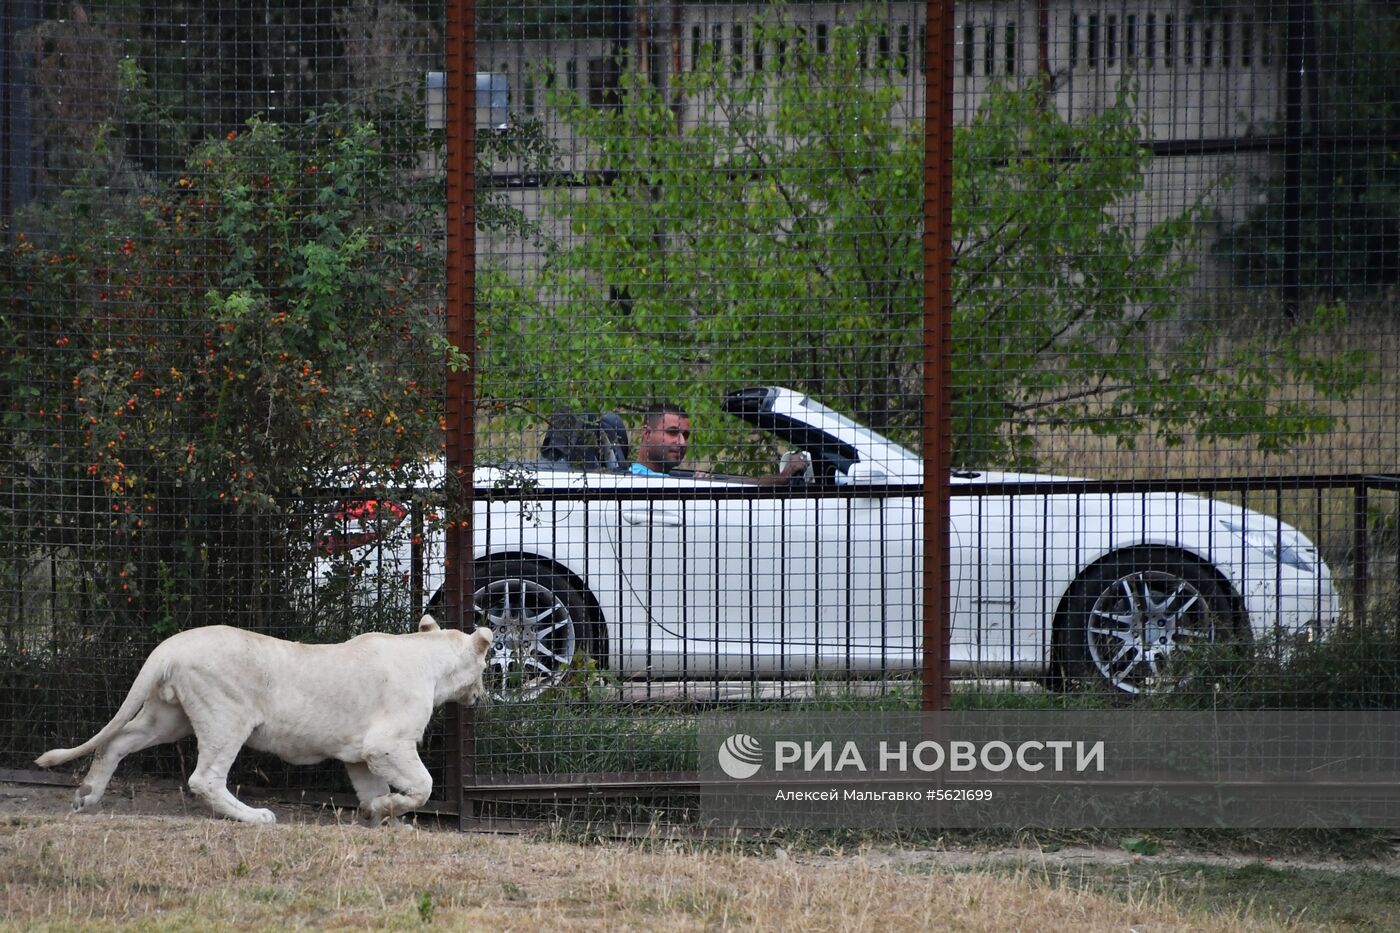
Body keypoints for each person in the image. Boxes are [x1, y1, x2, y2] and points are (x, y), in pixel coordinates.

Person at [629, 402, 811, 485]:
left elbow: (736, 483)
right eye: (672, 432)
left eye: (685, 435)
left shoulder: (662, 479)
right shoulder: (642, 483)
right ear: (647, 434)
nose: (682, 442)